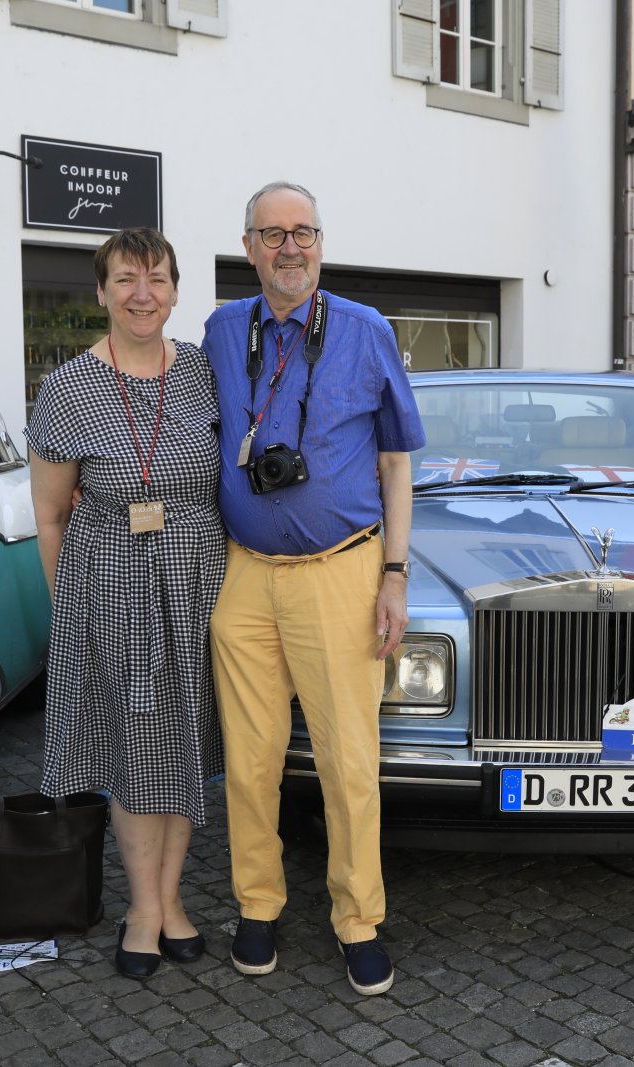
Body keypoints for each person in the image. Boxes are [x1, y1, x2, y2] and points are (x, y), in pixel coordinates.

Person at [202, 181, 425, 996]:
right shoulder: (222, 330)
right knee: (248, 760)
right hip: (244, 576)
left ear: (321, 242)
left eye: (303, 232)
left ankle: (358, 918)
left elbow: (396, 464)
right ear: (249, 247)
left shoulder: (366, 331)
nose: (289, 247)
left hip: (341, 572)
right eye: (272, 234)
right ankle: (257, 904)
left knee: (348, 762)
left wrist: (394, 574)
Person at [26, 227, 224, 980]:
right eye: (126, 279)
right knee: (137, 748)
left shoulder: (202, 372)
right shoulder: (68, 388)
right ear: (102, 291)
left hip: (199, 580)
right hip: (111, 586)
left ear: (174, 291)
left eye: (158, 278)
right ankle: (143, 908)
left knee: (186, 743)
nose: (144, 294)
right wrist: (71, 611)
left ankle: (172, 899)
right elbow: (51, 515)